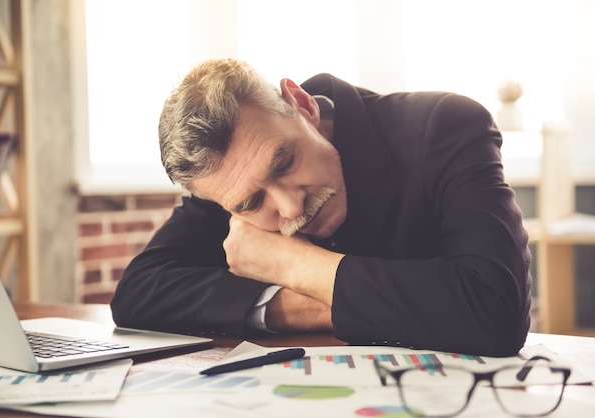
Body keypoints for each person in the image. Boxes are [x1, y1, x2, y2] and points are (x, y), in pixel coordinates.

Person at [110, 58, 531, 357]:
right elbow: (137, 293)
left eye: (285, 161)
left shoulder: (445, 124)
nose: (291, 206)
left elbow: (496, 311)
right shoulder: (229, 176)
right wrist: (313, 305)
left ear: (303, 105)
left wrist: (292, 265)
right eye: (252, 203)